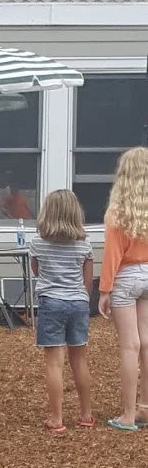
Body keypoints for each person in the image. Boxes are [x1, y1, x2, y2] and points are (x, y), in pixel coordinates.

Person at [30, 189, 94, 435]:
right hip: (78, 302)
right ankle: (86, 414)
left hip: (51, 302)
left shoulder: (37, 243)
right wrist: (81, 298)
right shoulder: (84, 245)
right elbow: (88, 282)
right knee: (79, 360)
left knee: (55, 364)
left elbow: (37, 271)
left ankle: (57, 418)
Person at [98, 147, 148, 431]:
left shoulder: (118, 211)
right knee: (147, 343)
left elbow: (113, 255)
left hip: (127, 276)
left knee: (130, 346)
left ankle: (128, 415)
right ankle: (145, 408)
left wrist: (104, 291)